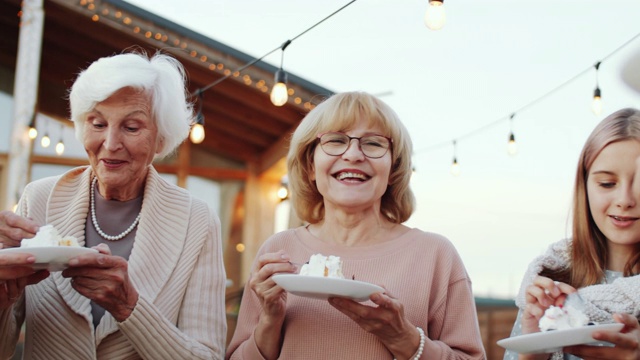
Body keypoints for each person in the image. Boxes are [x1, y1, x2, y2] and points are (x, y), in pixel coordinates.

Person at [0, 51, 227, 359]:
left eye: (131, 127)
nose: (110, 143)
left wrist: (128, 307)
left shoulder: (197, 221)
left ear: (161, 139)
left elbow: (208, 356)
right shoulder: (39, 198)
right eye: (97, 123)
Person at [226, 91, 485, 359]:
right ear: (311, 167)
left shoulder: (436, 255)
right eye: (336, 141)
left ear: (392, 171)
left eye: (373, 144)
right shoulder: (279, 250)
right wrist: (270, 321)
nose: (353, 154)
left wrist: (405, 339)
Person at [504, 108, 640, 360]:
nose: (625, 200)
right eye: (607, 184)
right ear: (584, 186)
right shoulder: (551, 276)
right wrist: (534, 344)